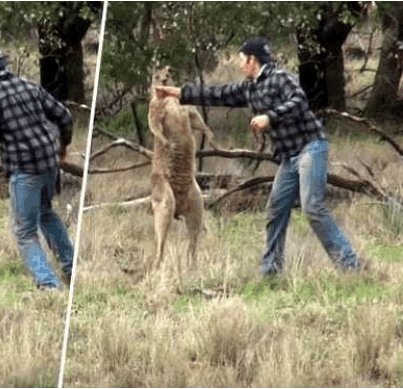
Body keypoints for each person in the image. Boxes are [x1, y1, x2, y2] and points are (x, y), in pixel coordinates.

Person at [155, 37, 365, 276]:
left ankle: (351, 267)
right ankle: (271, 273)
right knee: (276, 211)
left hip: (310, 148)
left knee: (312, 207)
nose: (240, 64)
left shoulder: (281, 79)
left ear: (253, 60)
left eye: (242, 60)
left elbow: (298, 102)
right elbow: (218, 94)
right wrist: (177, 93)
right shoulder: (249, 87)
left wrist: (270, 117)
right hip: (289, 156)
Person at [0, 44, 75, 290]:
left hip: (25, 170)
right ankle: (73, 269)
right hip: (49, 164)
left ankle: (49, 284)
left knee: (25, 232)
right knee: (46, 213)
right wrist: (63, 147)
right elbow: (64, 116)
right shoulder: (29, 86)